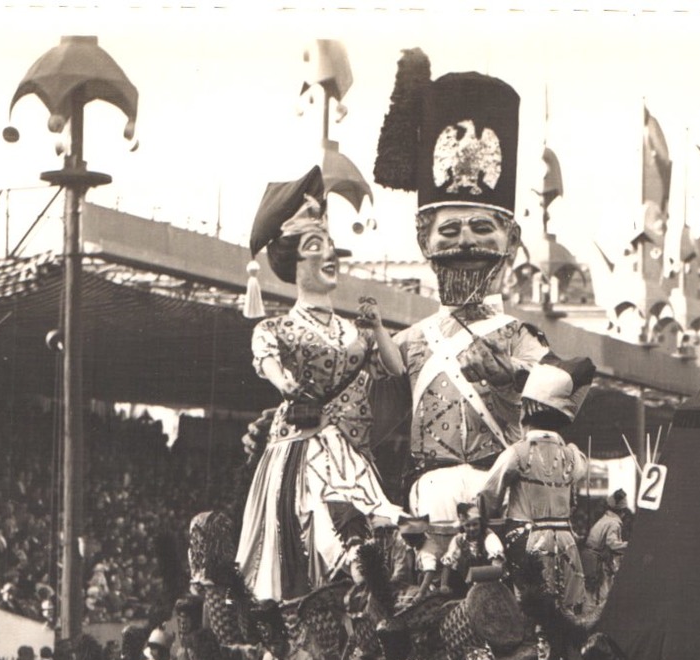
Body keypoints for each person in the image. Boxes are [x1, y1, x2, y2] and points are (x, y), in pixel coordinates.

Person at [372, 55, 549, 560]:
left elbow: (564, 397)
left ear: (510, 239)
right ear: (425, 241)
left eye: (480, 228)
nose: (464, 242)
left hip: (505, 501)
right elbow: (365, 419)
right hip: (429, 504)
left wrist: (510, 373)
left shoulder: (523, 337)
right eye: (449, 230)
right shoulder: (406, 342)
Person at [234, 166, 405, 603]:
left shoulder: (355, 331)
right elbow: (269, 361)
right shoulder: (279, 327)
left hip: (351, 449)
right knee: (319, 515)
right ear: (293, 261)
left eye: (330, 246)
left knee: (372, 515)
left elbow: (396, 370)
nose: (329, 256)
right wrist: (285, 381)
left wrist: (379, 327)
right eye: (315, 247)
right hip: (306, 444)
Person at [480, 357, 597, 615]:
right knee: (566, 612)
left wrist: (484, 526)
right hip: (565, 541)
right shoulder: (571, 456)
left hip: (528, 540)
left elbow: (488, 495)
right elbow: (581, 466)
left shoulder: (517, 453)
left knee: (530, 611)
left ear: (527, 412)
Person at [438, 503, 505, 596]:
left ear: (481, 524)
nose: (472, 528)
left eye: (475, 524)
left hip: (489, 585)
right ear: (463, 526)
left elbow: (497, 566)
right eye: (467, 526)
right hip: (466, 585)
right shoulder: (459, 539)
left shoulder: (489, 538)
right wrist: (443, 585)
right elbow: (447, 563)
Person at [583, 490, 630, 606]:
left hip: (589, 558)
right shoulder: (614, 523)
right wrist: (629, 545)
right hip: (597, 561)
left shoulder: (605, 519)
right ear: (622, 512)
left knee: (590, 593)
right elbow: (612, 544)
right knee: (600, 596)